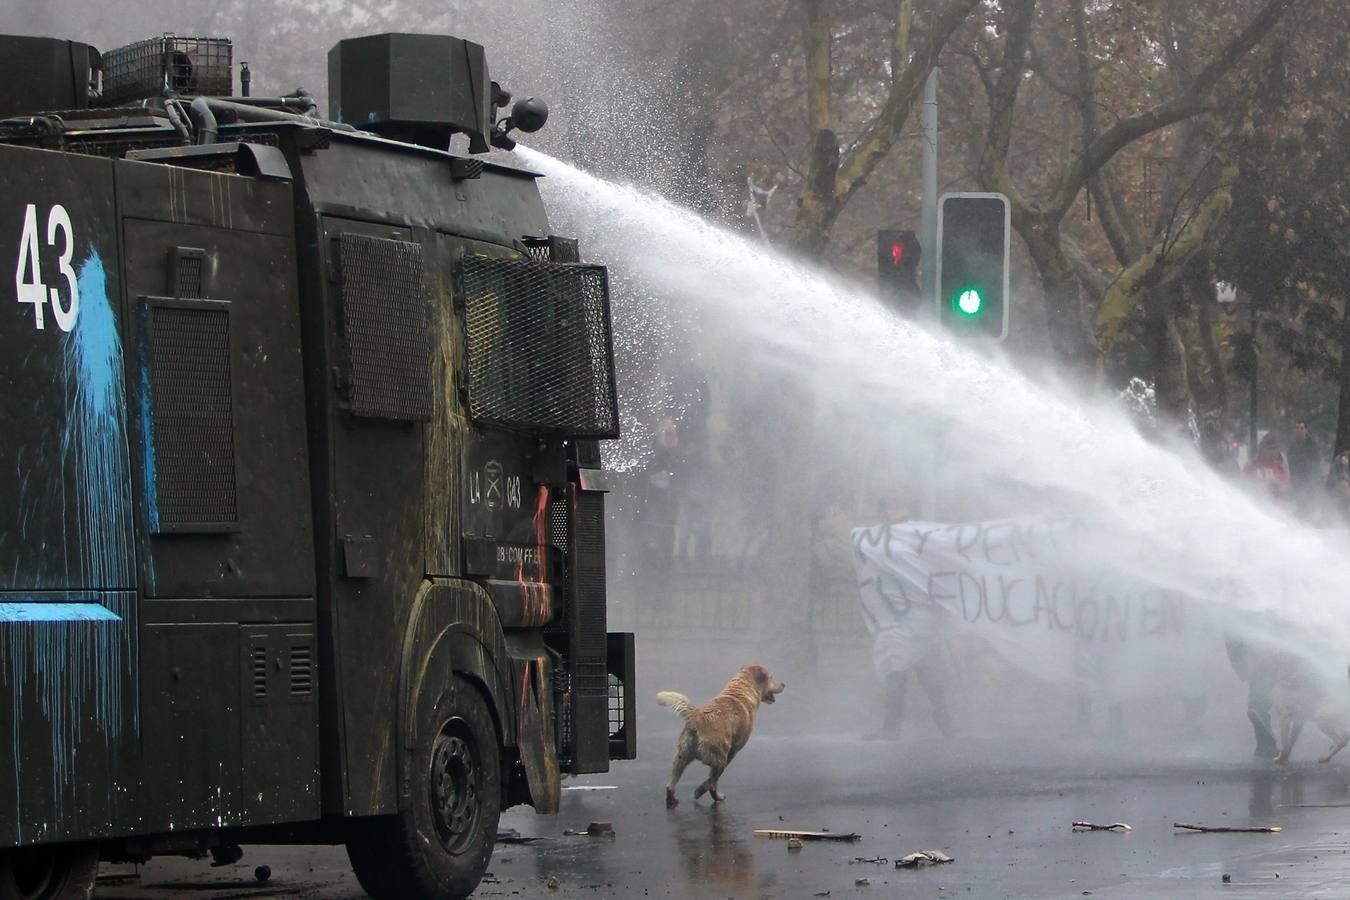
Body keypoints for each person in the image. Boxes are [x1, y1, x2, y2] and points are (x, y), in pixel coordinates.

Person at [1242, 433, 1290, 505]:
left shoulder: (1280, 467)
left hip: (1278, 507)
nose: (1275, 452)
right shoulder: (1252, 466)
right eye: (1272, 448)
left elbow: (1286, 486)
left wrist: (1279, 488)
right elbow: (1243, 486)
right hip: (1256, 506)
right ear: (1263, 449)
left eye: (1277, 449)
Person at [1285, 420, 1321, 517]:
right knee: (1298, 506)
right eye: (1297, 428)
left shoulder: (1312, 445)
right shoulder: (1293, 446)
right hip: (1296, 481)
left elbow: (1316, 464)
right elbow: (1289, 462)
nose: (1299, 430)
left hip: (1309, 481)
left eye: (1301, 428)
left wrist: (1314, 482)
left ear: (1306, 430)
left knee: (1308, 507)